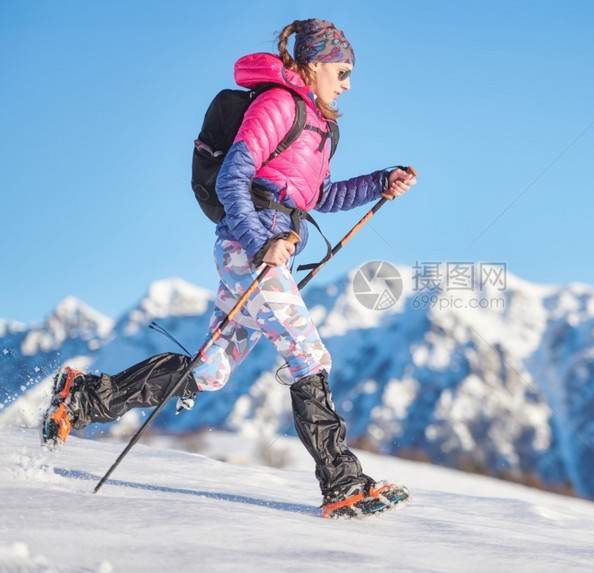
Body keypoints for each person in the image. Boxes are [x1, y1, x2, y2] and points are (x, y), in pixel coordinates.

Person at [41, 18, 416, 519]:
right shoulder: (278, 104)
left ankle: (85, 398)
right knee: (308, 354)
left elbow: (317, 195)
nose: (348, 83)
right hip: (251, 251)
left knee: (211, 372)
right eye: (342, 70)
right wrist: (262, 244)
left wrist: (379, 182)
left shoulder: (322, 126)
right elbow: (233, 180)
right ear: (313, 63)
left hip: (261, 251)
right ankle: (343, 483)